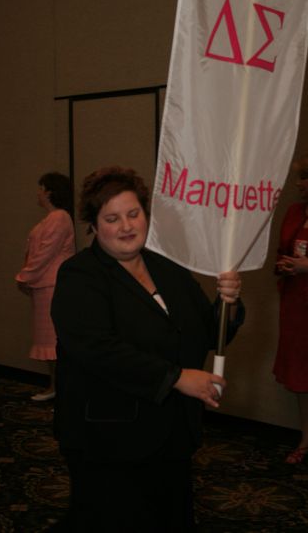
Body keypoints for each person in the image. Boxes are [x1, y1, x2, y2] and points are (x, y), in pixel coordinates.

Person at [51, 166, 244, 532]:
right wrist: (176, 378)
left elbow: (204, 330)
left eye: (133, 214)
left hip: (171, 431)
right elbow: (98, 350)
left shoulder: (166, 265)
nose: (125, 226)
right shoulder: (79, 276)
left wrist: (228, 304)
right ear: (93, 225)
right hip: (108, 439)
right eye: (112, 218)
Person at [16, 172, 75, 401]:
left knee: (54, 340)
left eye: (40, 188)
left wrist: (24, 277)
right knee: (51, 340)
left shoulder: (59, 217)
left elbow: (44, 254)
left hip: (52, 285)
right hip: (45, 284)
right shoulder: (53, 218)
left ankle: (57, 387)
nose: (38, 193)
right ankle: (55, 386)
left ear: (49, 191)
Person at [274, 154, 308, 464]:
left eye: (305, 177)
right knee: (301, 376)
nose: (299, 183)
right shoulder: (295, 212)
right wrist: (284, 265)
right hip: (297, 305)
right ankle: (305, 439)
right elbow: (282, 249)